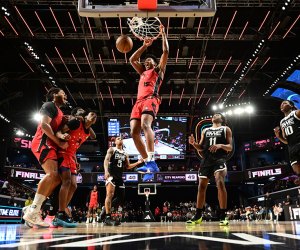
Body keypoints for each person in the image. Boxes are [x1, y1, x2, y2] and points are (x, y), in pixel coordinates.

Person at [23, 87, 69, 228]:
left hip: (51, 144)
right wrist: (59, 141)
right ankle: (34, 210)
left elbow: (57, 131)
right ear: (55, 95)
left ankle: (33, 209)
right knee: (52, 174)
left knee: (56, 179)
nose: (65, 95)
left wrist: (62, 135)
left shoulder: (60, 112)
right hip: (43, 143)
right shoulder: (49, 105)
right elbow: (44, 125)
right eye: (62, 93)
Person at [129, 24, 169, 181]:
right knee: (133, 132)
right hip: (138, 102)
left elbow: (165, 51)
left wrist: (163, 34)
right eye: (145, 61)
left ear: (155, 63)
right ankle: (148, 163)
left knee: (146, 125)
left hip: (151, 99)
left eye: (149, 60)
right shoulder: (142, 72)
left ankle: (151, 157)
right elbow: (132, 59)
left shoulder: (158, 71)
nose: (146, 62)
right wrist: (144, 46)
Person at [186, 113, 233, 226]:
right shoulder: (205, 130)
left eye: (217, 114)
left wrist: (220, 145)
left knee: (220, 182)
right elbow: (201, 148)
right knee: (201, 187)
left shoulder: (225, 129)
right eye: (214, 114)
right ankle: (198, 216)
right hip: (206, 161)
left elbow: (230, 147)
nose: (215, 115)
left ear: (222, 119)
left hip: (219, 159)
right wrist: (194, 144)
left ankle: (223, 215)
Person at [54, 108, 97, 227]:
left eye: (96, 117)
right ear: (86, 116)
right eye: (92, 114)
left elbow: (92, 136)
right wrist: (62, 135)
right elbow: (59, 131)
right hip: (63, 152)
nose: (94, 116)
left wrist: (76, 160)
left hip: (72, 156)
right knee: (66, 182)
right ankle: (61, 213)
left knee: (74, 185)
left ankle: (60, 211)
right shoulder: (76, 122)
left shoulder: (87, 132)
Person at [103, 137, 142, 226]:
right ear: (115, 142)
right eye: (118, 138)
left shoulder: (125, 153)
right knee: (110, 195)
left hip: (119, 177)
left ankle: (104, 210)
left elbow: (127, 166)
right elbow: (106, 160)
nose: (120, 139)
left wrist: (138, 162)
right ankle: (108, 218)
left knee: (121, 197)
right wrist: (106, 171)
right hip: (111, 175)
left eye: (121, 138)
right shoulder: (112, 149)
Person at [274, 100, 300, 185]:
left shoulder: (295, 113)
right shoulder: (282, 122)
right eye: (281, 104)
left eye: (285, 103)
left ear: (291, 106)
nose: (282, 104)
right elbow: (286, 141)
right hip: (291, 148)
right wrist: (278, 136)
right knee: (297, 172)